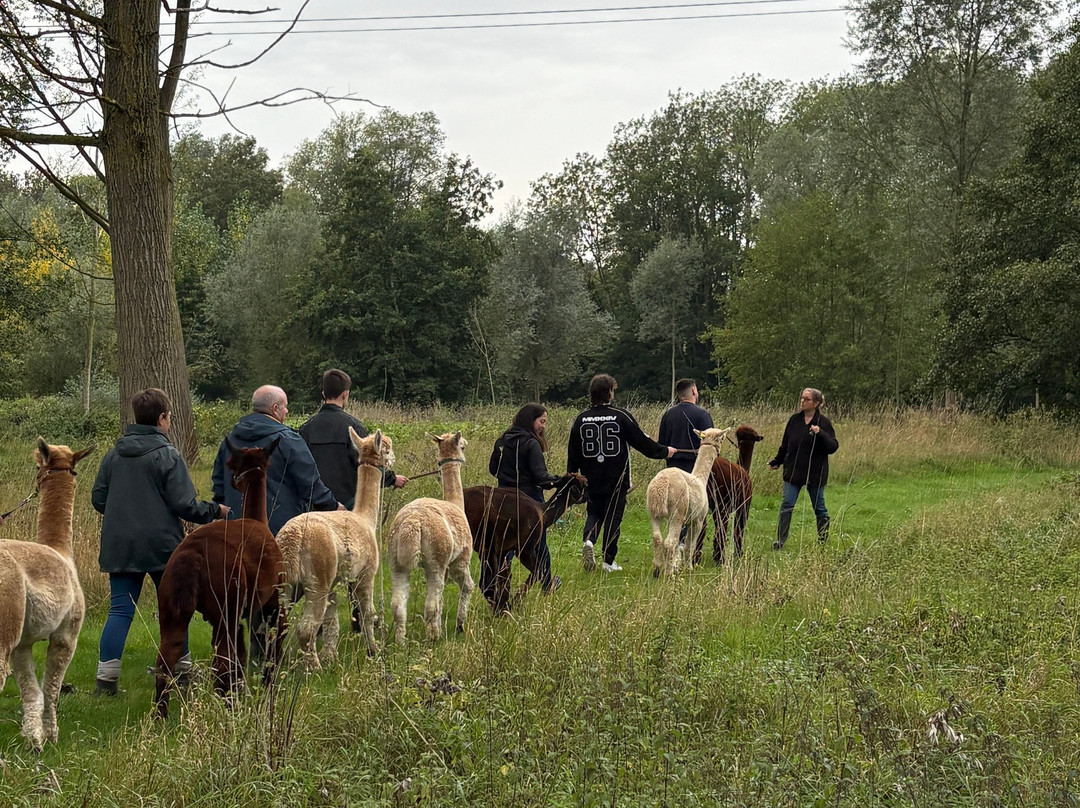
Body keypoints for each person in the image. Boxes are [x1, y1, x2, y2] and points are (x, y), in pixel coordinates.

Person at [91, 388, 229, 696]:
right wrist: (215, 510)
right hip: (163, 546)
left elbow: (99, 499)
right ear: (163, 419)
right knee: (176, 607)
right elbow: (185, 505)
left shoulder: (114, 455)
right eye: (169, 418)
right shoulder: (167, 454)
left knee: (120, 610)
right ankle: (182, 672)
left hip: (120, 544)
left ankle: (106, 680)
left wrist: (123, 512)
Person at [567, 374, 676, 572]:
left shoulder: (581, 419)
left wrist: (573, 477)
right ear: (609, 392)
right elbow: (641, 441)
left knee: (594, 513)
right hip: (617, 479)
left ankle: (589, 541)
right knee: (613, 517)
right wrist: (664, 451)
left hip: (590, 478)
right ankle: (608, 561)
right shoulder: (620, 415)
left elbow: (573, 452)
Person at [212, 384, 343, 535]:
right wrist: (333, 507)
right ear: (275, 408)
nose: (287, 411)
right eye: (285, 407)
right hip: (282, 531)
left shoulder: (229, 442)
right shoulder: (287, 440)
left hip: (235, 531)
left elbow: (219, 485)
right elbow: (310, 485)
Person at [299, 368, 407, 507]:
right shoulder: (354, 427)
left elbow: (300, 467)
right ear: (345, 394)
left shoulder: (306, 428)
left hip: (315, 506)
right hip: (348, 506)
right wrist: (392, 479)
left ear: (323, 394)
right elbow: (369, 462)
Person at [488, 403, 561, 592]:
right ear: (531, 420)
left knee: (504, 545)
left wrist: (507, 481)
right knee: (539, 544)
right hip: (529, 501)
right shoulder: (531, 443)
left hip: (502, 501)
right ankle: (547, 584)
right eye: (541, 421)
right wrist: (559, 481)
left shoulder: (502, 441)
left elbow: (493, 469)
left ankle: (498, 583)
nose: (543, 426)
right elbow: (541, 477)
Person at [768, 387, 839, 550]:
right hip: (793, 471)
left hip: (815, 474)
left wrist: (820, 433)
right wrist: (778, 461)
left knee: (819, 507)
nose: (802, 401)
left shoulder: (824, 423)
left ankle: (823, 541)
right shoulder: (794, 420)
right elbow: (786, 444)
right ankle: (780, 541)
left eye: (806, 399)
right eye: (801, 398)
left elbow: (833, 446)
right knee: (787, 504)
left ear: (816, 403)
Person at [657, 378, 715, 557]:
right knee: (694, 508)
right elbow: (710, 442)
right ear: (694, 392)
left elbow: (661, 445)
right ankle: (683, 543)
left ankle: (673, 541)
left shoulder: (668, 415)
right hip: (694, 467)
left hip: (673, 467)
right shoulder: (703, 415)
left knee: (675, 507)